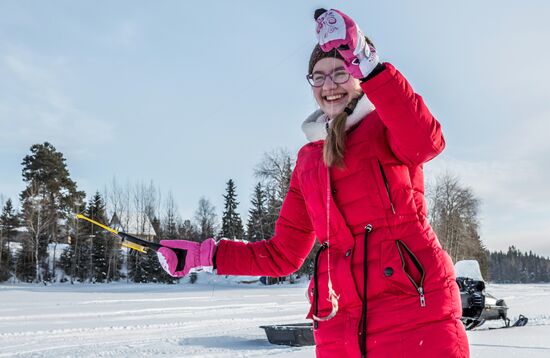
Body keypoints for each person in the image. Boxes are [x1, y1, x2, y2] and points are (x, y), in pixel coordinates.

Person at [156, 8, 469, 358]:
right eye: (318, 77)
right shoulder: (308, 161)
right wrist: (206, 254)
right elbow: (283, 255)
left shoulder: (387, 125)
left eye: (340, 72)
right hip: (339, 330)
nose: (328, 85)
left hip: (415, 320)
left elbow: (427, 141)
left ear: (358, 74)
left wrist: (370, 63)